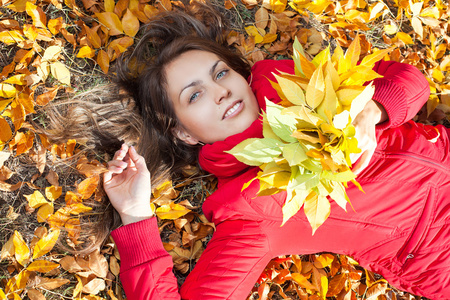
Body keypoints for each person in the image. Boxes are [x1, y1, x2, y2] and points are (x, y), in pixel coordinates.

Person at [46, 2, 450, 299]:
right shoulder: (249, 212)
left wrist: (373, 110)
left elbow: (409, 78)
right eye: (195, 95)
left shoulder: (300, 83)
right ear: (184, 133)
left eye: (220, 73)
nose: (220, 91)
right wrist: (136, 217)